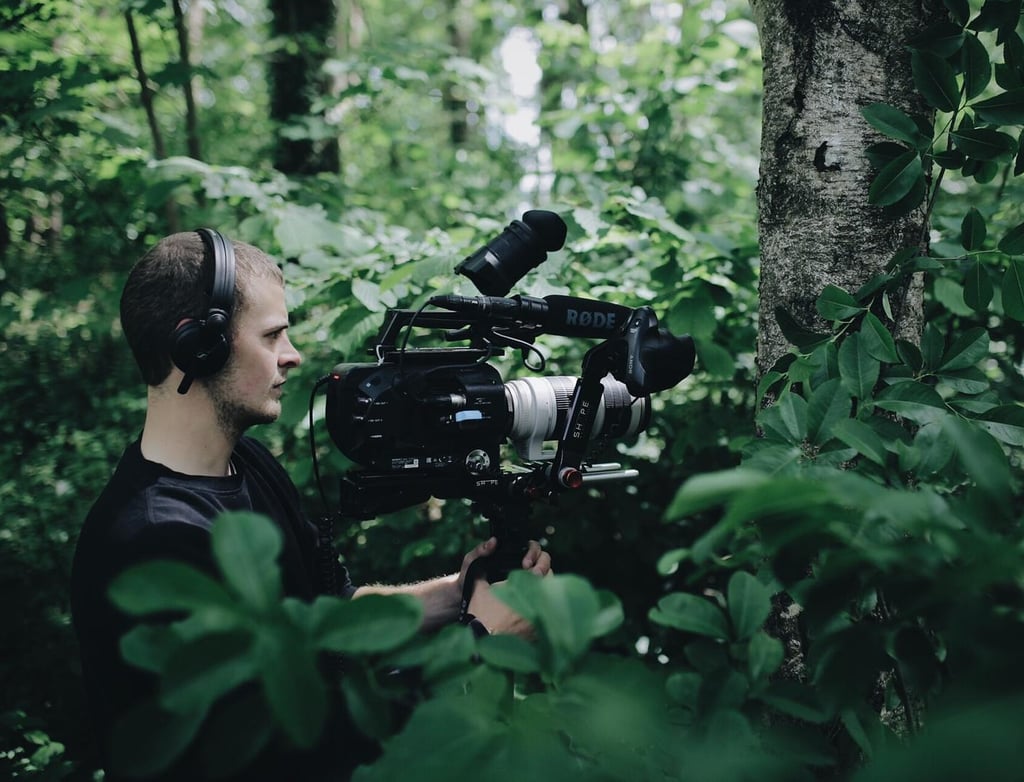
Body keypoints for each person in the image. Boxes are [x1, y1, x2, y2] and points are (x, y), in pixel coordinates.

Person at [70, 229, 551, 781]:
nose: (293, 356)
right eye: (273, 336)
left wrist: (456, 593)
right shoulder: (154, 542)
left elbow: (330, 619)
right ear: (198, 346)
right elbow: (288, 755)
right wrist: (480, 645)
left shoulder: (250, 465)